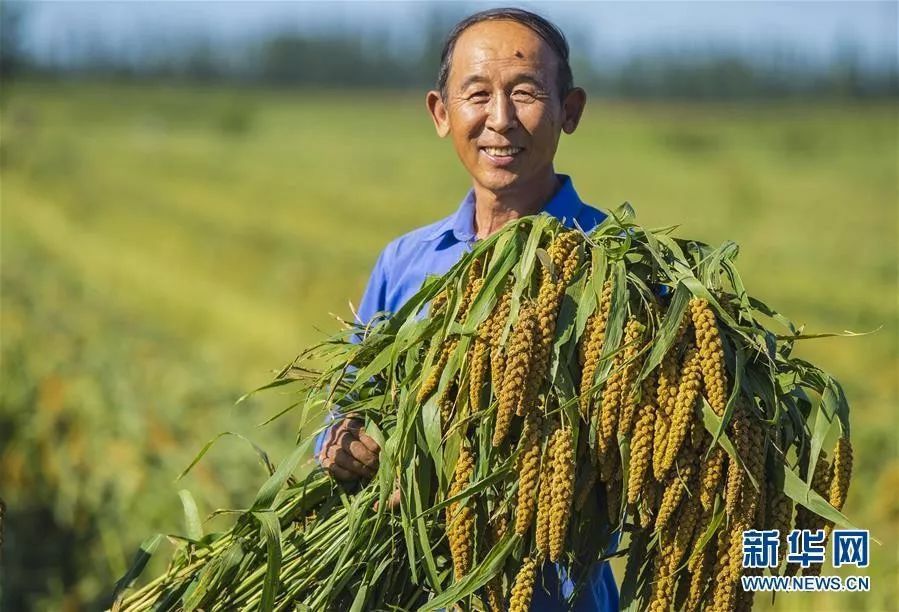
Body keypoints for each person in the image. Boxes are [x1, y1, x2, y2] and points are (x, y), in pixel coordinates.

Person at [314, 8, 618, 610]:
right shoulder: (405, 261)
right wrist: (342, 442)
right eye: (477, 95)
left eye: (526, 93)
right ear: (441, 112)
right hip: (409, 588)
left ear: (570, 110)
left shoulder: (621, 270)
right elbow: (347, 402)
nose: (499, 120)